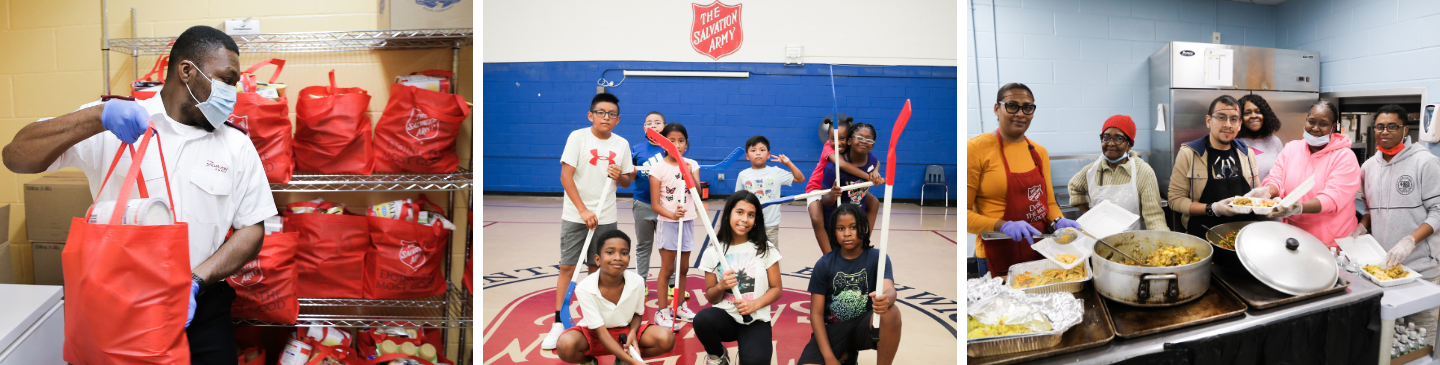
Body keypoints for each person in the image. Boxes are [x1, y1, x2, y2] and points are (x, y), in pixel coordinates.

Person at [0, 25, 277, 361]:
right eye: (227, 80)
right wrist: (97, 117)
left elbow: (252, 229)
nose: (233, 93)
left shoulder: (236, 145)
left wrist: (196, 281)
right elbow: (16, 157)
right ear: (187, 71)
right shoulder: (115, 121)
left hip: (200, 308)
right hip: (115, 307)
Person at [545, 92, 637, 350]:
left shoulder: (622, 144)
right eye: (601, 113)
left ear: (618, 119)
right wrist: (583, 211)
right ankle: (559, 322)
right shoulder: (578, 137)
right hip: (576, 216)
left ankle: (590, 319)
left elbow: (627, 181)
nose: (606, 117)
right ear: (591, 115)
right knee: (567, 267)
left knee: (596, 269)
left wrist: (620, 176)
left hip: (606, 217)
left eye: (611, 114)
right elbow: (566, 177)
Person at [967, 83, 1082, 277]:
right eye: (1012, 105)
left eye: (1027, 107)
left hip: (1039, 248)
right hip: (996, 251)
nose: (1020, 113)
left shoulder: (1039, 152)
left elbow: (1048, 203)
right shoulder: (976, 149)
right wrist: (1002, 225)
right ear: (997, 108)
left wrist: (1057, 220)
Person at [1353, 104, 1440, 351]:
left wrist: (1410, 240)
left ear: (1405, 130)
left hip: (1420, 268)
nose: (1385, 131)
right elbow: (1369, 208)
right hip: (1382, 270)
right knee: (1387, 341)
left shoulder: (1426, 162)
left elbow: (1438, 211)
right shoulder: (1369, 167)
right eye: (1380, 126)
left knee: (1419, 340)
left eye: (1392, 126)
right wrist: (1362, 226)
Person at [1244, 100, 1361, 247]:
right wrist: (1266, 191)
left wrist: (1299, 208)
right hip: (1292, 235)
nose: (1315, 128)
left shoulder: (1344, 157)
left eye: (1323, 124)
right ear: (1306, 121)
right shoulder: (1291, 148)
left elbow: (1332, 198)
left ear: (1334, 127)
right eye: (1311, 122)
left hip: (1330, 241)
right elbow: (1277, 179)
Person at [554, 230, 677, 365]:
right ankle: (590, 361)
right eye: (610, 252)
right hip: (595, 334)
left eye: (624, 253)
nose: (618, 257)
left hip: (625, 331)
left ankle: (621, 360)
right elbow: (601, 333)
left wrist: (632, 334)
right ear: (597, 259)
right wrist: (634, 362)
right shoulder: (584, 287)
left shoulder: (637, 281)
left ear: (629, 259)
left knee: (667, 338)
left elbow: (637, 314)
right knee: (565, 345)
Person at [799, 204, 900, 365]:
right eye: (841, 228)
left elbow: (890, 289)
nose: (847, 233)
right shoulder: (824, 264)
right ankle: (846, 355)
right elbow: (816, 314)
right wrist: (829, 358)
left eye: (853, 227)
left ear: (864, 228)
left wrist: (887, 299)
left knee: (891, 312)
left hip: (864, 326)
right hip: (834, 330)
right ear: (834, 232)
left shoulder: (878, 258)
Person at [693, 191, 783, 365]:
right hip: (725, 317)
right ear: (728, 215)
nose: (745, 219)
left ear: (756, 220)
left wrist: (754, 304)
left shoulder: (765, 249)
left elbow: (776, 289)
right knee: (702, 320)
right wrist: (720, 286)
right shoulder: (714, 252)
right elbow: (711, 297)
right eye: (739, 212)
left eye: (751, 215)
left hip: (755, 319)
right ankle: (717, 356)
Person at [1167, 95, 1262, 239]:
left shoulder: (1247, 153)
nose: (1228, 124)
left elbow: (1256, 193)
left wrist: (1270, 203)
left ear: (1240, 124)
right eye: (1221, 117)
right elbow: (1175, 200)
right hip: (1203, 237)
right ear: (1208, 121)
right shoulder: (1190, 154)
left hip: (1245, 237)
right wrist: (1213, 208)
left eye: (1233, 119)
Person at [1067, 115, 1166, 230]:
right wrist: (1088, 215)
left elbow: (1154, 216)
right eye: (1106, 137)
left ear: (1129, 144)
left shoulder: (1143, 172)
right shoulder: (1092, 170)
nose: (1110, 143)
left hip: (1132, 241)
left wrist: (1163, 243)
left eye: (1119, 138)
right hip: (1099, 239)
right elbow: (1074, 187)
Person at [806, 115, 883, 254]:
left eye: (842, 138)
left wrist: (875, 172)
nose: (838, 143)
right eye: (833, 139)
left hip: (841, 187)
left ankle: (864, 243)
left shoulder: (855, 151)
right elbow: (842, 164)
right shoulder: (829, 149)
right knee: (817, 219)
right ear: (828, 139)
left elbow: (876, 162)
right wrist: (869, 178)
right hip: (817, 189)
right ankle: (828, 256)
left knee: (874, 203)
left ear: (848, 140)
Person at [650, 123, 702, 330]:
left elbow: (698, 193)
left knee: (684, 268)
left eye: (681, 141)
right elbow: (655, 205)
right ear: (663, 143)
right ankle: (662, 311)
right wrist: (672, 214)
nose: (676, 145)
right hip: (669, 223)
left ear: (686, 143)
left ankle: (679, 306)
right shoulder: (658, 168)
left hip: (687, 221)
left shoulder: (692, 164)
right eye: (671, 140)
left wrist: (689, 174)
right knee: (668, 268)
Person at [737, 135, 805, 248]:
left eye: (762, 150)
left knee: (771, 255)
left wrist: (788, 163)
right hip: (749, 223)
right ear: (747, 156)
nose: (758, 153)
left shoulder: (776, 172)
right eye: (753, 150)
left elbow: (800, 178)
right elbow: (738, 200)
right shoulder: (743, 175)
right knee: (750, 253)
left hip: (770, 225)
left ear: (768, 154)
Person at [631, 111, 667, 279]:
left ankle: (671, 283)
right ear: (644, 128)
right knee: (643, 245)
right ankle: (641, 282)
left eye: (657, 122)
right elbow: (630, 175)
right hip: (643, 204)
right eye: (649, 123)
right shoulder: (636, 149)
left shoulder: (670, 148)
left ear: (665, 127)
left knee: (667, 247)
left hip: (666, 206)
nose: (653, 125)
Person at [1235, 94, 1285, 182]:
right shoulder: (1233, 142)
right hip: (1240, 196)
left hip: (1270, 195)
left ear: (1265, 115)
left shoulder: (1275, 141)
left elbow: (1283, 174)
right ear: (1240, 118)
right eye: (1247, 113)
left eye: (1258, 112)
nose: (1254, 116)